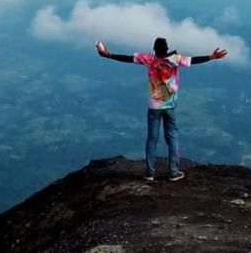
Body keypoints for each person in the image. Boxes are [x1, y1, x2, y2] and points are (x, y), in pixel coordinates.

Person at [96, 37, 228, 181]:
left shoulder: (148, 59)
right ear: (167, 48)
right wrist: (212, 57)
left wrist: (108, 54)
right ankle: (173, 172)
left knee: (152, 139)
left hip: (153, 106)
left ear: (154, 49)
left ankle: (150, 173)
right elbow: (194, 60)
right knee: (172, 138)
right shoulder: (175, 59)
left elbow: (127, 58)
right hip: (170, 106)